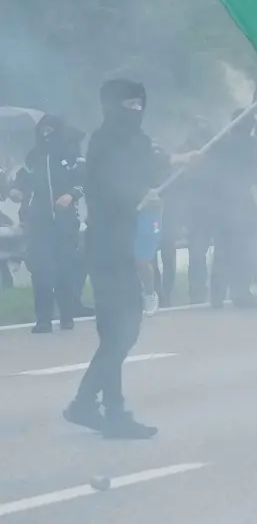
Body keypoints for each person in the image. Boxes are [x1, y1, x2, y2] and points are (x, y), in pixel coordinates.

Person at [63, 79, 195, 439]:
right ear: (112, 106)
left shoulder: (135, 140)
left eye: (140, 104)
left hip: (125, 244)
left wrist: (183, 159)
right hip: (106, 245)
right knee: (121, 330)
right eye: (129, 105)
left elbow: (152, 160)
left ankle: (109, 408)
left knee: (118, 332)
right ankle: (89, 403)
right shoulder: (103, 142)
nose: (136, 111)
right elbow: (106, 186)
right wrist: (140, 195)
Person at [11, 115, 86, 333]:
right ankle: (43, 319)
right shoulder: (33, 156)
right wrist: (16, 190)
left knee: (65, 269)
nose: (46, 134)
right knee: (41, 270)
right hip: (38, 222)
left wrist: (71, 195)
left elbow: (84, 181)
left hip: (66, 222)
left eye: (50, 130)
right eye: (42, 130)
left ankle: (66, 316)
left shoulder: (71, 154)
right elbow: (21, 178)